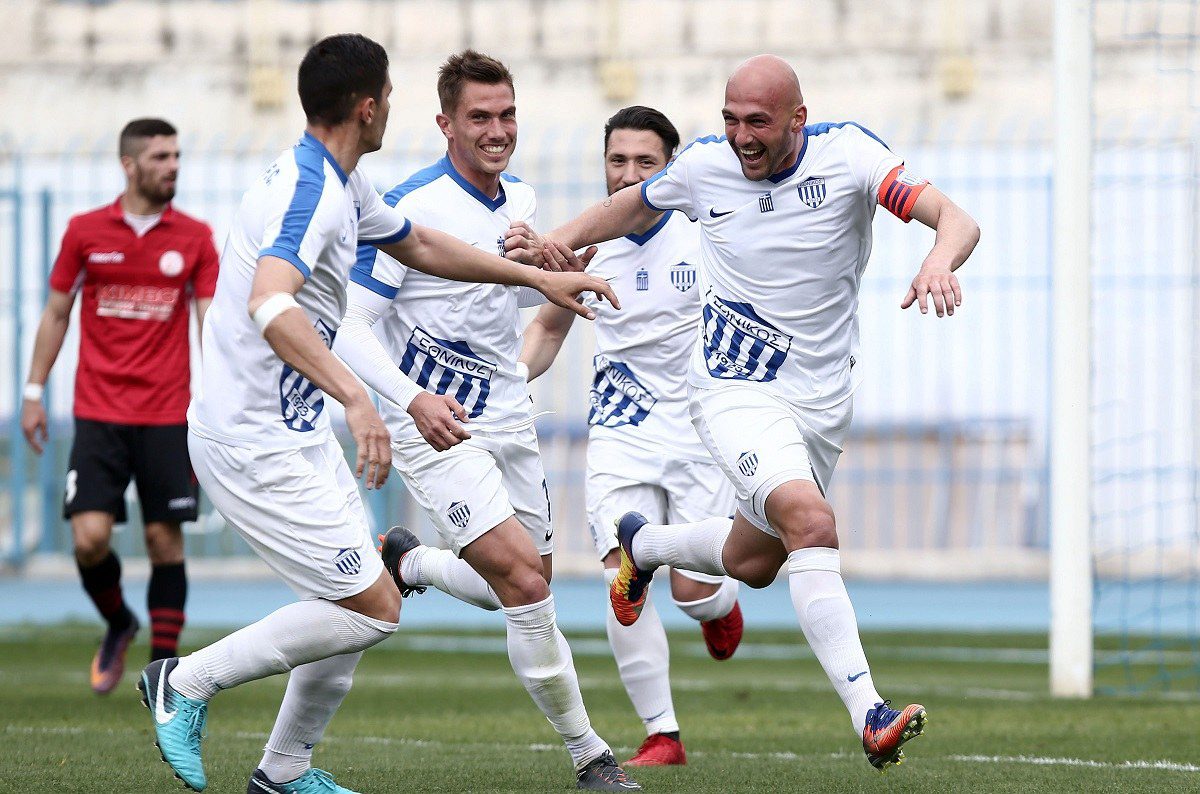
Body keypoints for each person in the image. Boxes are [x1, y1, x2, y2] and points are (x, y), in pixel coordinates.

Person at [135, 35, 616, 794]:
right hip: (252, 439)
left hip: (294, 429)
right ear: (368, 106)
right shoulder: (311, 194)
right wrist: (363, 397)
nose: (391, 107)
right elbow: (270, 303)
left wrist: (534, 276)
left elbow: (421, 245)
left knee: (356, 597)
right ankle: (184, 681)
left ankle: (284, 770)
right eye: (388, 96)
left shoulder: (344, 181)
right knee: (370, 608)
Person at [507, 55, 981, 771]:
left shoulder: (850, 155)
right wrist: (557, 243)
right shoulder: (706, 166)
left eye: (757, 122)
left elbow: (956, 219)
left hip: (821, 401)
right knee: (812, 523)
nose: (741, 137)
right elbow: (633, 206)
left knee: (754, 563)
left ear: (798, 118)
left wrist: (939, 259)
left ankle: (645, 546)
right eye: (730, 120)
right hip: (732, 388)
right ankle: (870, 713)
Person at [336, 50, 639, 792]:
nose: (497, 130)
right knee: (524, 584)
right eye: (479, 117)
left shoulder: (521, 200)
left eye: (506, 114)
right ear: (446, 123)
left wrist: (554, 270)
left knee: (527, 577)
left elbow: (496, 299)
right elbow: (349, 325)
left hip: (508, 415)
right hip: (436, 425)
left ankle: (411, 563)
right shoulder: (410, 208)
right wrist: (407, 398)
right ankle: (590, 755)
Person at [517, 105, 744, 768]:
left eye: (646, 162)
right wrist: (509, 382)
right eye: (618, 160)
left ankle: (718, 606)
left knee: (694, 591)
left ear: (670, 169)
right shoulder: (587, 246)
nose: (629, 173)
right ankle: (661, 735)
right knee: (622, 574)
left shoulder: (706, 235)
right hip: (621, 428)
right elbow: (548, 330)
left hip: (700, 431)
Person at [20, 118, 217, 695]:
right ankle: (118, 623)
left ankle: (164, 675)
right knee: (89, 540)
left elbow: (210, 323)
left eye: (176, 156)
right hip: (98, 412)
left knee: (163, 541)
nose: (172, 166)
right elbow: (56, 313)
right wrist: (32, 393)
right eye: (160, 157)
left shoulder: (195, 237)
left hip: (165, 415)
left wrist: (219, 398)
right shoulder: (85, 232)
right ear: (129, 165)